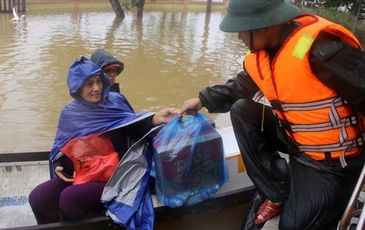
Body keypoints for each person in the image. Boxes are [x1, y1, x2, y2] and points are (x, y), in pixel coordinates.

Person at [181, 0, 365, 229]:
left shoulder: (322, 49)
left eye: (242, 30)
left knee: (291, 225)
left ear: (266, 26)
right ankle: (277, 190)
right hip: (297, 144)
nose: (239, 37)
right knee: (241, 109)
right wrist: (201, 100)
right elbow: (239, 87)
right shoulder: (265, 53)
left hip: (334, 162)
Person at [28, 56, 179, 224]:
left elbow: (135, 126)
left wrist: (155, 118)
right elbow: (60, 147)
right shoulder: (70, 113)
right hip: (83, 172)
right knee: (38, 197)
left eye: (98, 81)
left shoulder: (115, 102)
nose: (96, 88)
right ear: (77, 87)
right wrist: (58, 166)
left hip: (117, 175)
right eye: (89, 84)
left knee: (69, 198)